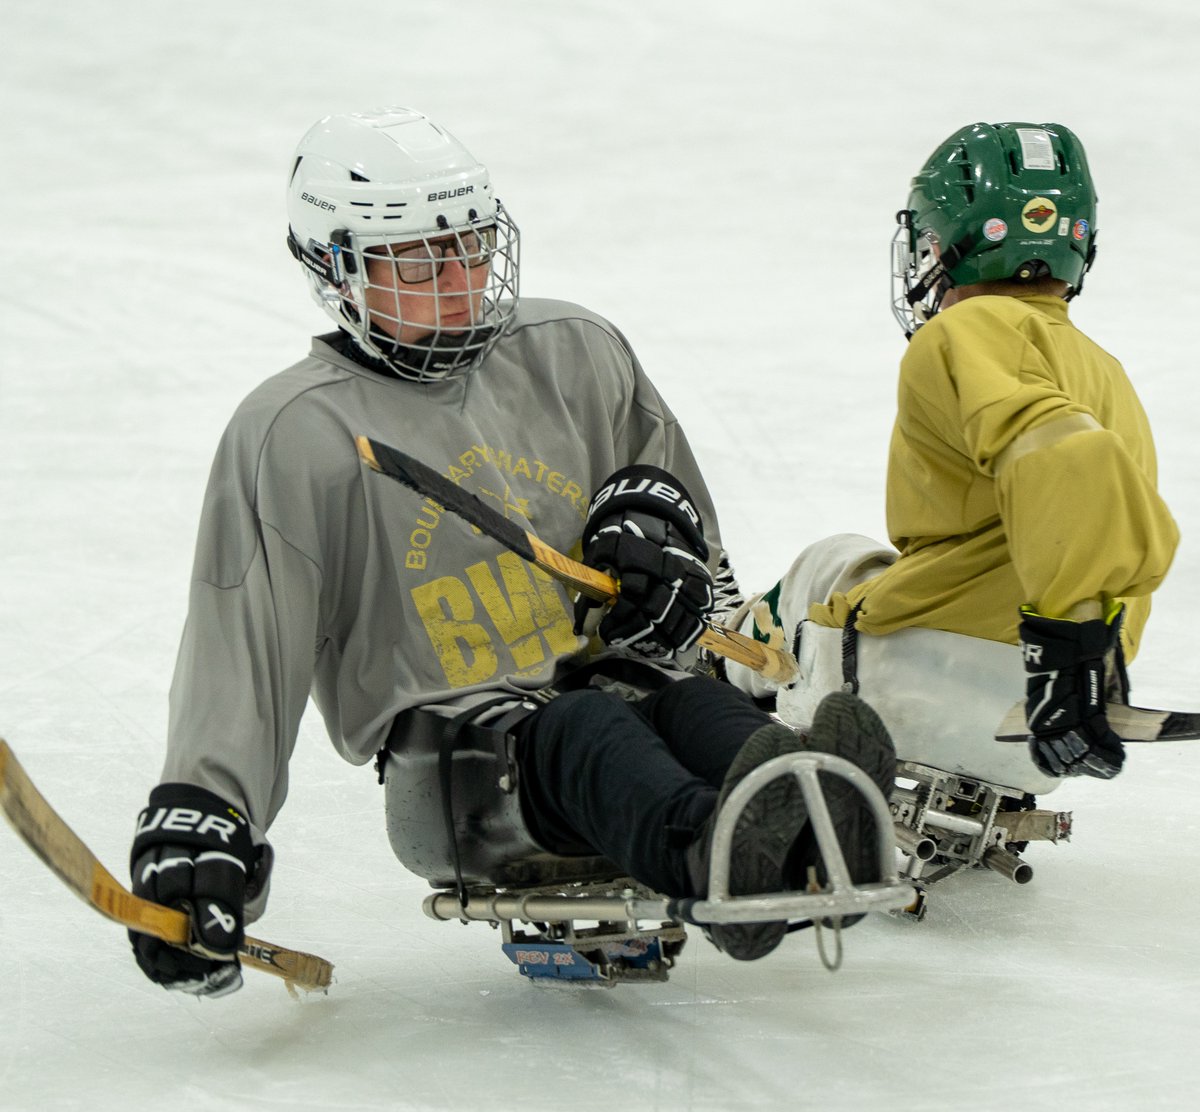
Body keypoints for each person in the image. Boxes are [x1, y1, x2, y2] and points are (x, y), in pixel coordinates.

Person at [127, 106, 896, 998]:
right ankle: (717, 849)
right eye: (416, 260)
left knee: (687, 706)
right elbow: (244, 653)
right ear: (335, 268)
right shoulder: (296, 433)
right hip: (462, 770)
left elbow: (697, 556)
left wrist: (668, 570)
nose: (457, 281)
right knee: (586, 726)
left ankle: (810, 814)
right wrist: (207, 819)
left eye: (472, 246)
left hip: (612, 693)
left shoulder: (577, 354)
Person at [725, 121, 1178, 793]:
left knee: (830, 563)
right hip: (1050, 708)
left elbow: (1066, 459)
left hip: (946, 674)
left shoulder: (963, 331)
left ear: (956, 244)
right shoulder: (1107, 370)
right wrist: (1088, 650)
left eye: (930, 240)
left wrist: (1062, 643)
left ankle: (702, 671)